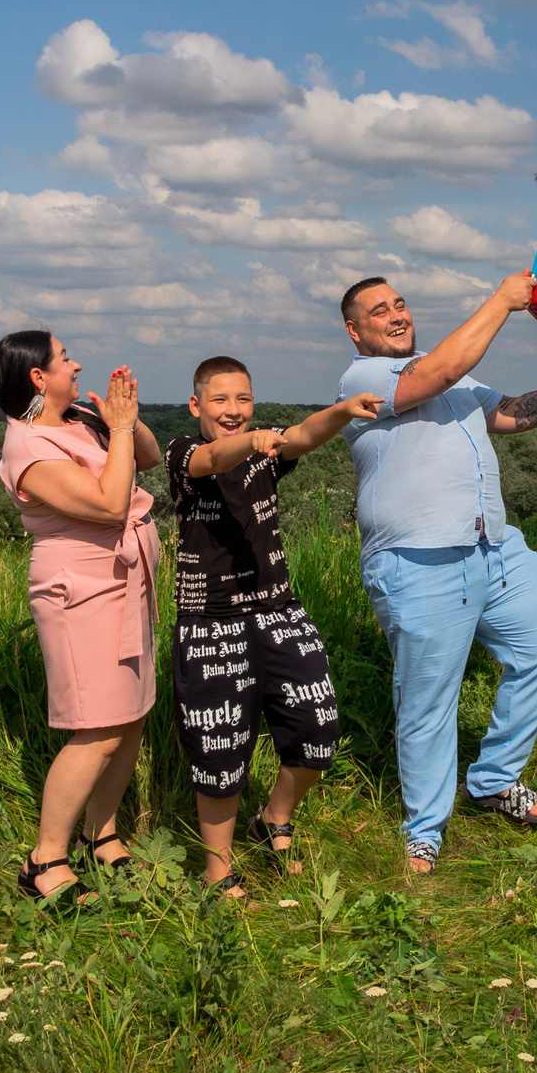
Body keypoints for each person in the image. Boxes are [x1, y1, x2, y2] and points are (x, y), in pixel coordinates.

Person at [337, 271, 537, 872]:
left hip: (494, 548)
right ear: (355, 332)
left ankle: (493, 779)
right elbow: (433, 376)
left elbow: (512, 414)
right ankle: (425, 829)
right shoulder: (364, 378)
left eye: (400, 304)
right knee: (428, 700)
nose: (395, 315)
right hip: (418, 559)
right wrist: (502, 300)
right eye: (378, 311)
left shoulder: (452, 368)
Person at [164, 357, 383, 898]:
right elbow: (215, 456)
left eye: (243, 400)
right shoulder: (182, 453)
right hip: (210, 619)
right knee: (219, 747)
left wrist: (341, 411)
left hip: (277, 610)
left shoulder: (265, 453)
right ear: (197, 407)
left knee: (319, 725)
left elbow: (304, 435)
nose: (233, 411)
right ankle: (219, 874)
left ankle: (272, 819)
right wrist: (257, 439)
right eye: (220, 401)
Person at [0, 330, 162, 904]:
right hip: (81, 592)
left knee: (130, 718)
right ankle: (45, 860)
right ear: (39, 377)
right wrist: (115, 428)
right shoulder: (28, 447)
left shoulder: (80, 421)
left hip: (125, 581)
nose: (77, 363)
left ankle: (102, 834)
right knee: (97, 728)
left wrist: (123, 419)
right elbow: (110, 503)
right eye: (65, 359)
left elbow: (149, 458)